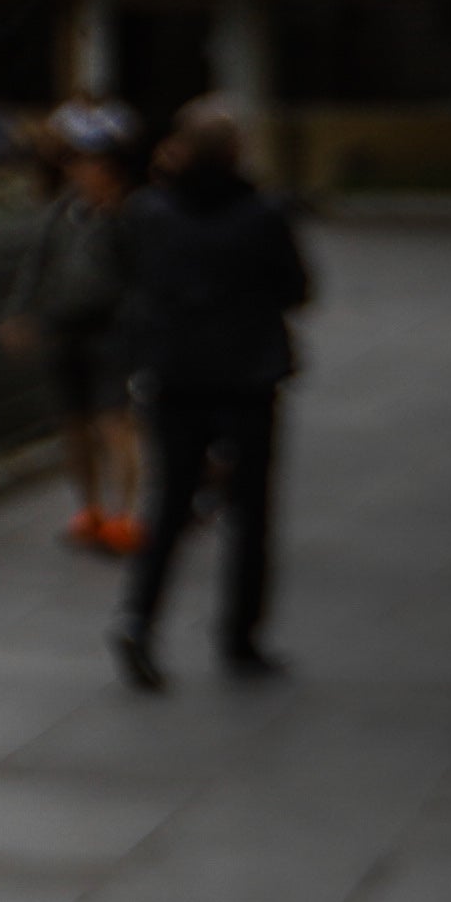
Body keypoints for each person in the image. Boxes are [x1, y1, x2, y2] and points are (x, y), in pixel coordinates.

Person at [115, 98, 310, 690]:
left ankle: (139, 620)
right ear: (235, 152)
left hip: (175, 374)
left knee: (170, 502)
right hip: (247, 374)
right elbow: (296, 288)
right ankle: (240, 634)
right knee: (251, 510)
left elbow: (129, 277)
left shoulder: (149, 213)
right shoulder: (263, 213)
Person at [8, 133, 139, 556]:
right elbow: (37, 263)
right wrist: (21, 311)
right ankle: (90, 507)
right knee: (74, 422)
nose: (80, 174)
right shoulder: (62, 213)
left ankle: (125, 513)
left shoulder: (126, 217)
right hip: (64, 328)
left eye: (90, 165)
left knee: (113, 419)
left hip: (110, 329)